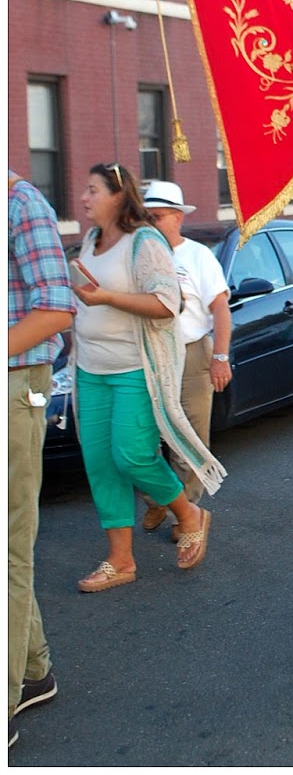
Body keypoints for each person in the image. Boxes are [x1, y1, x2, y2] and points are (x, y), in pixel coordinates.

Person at [69, 163, 222, 593]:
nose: (84, 197)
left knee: (132, 455)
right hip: (91, 370)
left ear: (118, 195)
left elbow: (166, 303)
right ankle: (120, 560)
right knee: (100, 464)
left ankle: (188, 513)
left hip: (135, 369)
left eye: (93, 189)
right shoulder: (90, 241)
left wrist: (105, 298)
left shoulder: (145, 241)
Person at [8, 171, 74, 746]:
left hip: (14, 383)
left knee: (8, 544)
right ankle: (32, 672)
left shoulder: (19, 200)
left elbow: (56, 309)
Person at [138, 181, 232, 535]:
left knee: (189, 437)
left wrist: (220, 356)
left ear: (177, 218)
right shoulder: (139, 256)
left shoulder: (197, 256)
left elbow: (220, 309)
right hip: (150, 355)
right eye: (145, 217)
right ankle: (159, 500)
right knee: (141, 436)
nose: (150, 223)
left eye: (157, 217)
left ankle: (185, 512)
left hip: (192, 354)